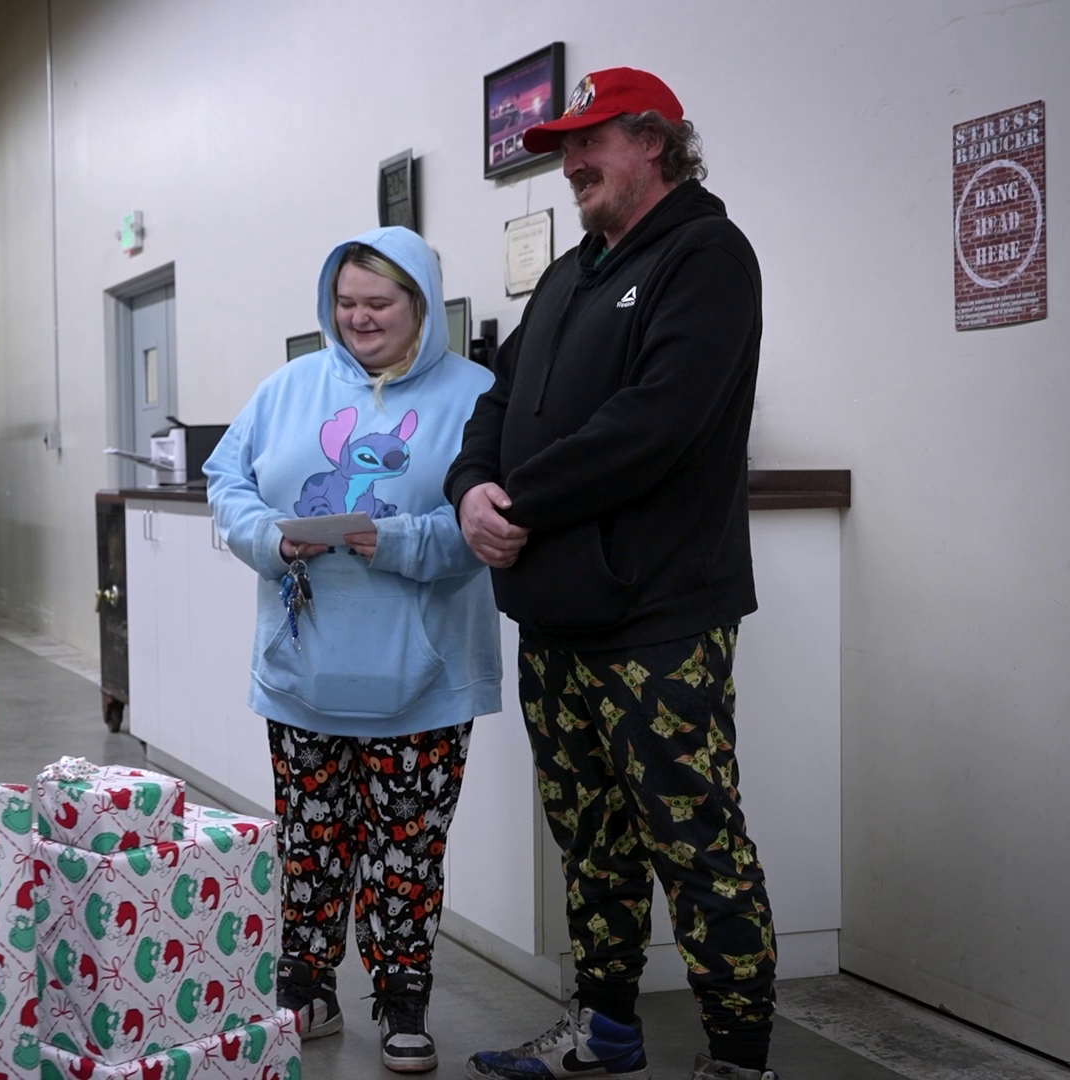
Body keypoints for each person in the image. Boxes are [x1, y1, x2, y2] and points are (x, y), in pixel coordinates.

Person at [446, 68, 779, 1080]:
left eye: (590, 142)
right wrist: (471, 489)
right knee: (591, 843)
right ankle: (606, 1029)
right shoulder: (570, 271)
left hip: (659, 617)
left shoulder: (709, 258)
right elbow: (496, 405)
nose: (571, 164)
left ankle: (739, 1057)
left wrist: (522, 502)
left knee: (694, 840)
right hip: (556, 618)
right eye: (562, 149)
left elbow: (654, 425)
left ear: (656, 143)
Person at [204, 226, 500, 1074]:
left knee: (408, 848)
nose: (360, 318)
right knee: (308, 840)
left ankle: (403, 999)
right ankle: (307, 986)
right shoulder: (287, 388)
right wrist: (265, 536)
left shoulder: (480, 394)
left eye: (380, 302)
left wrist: (403, 541)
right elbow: (227, 482)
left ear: (422, 306)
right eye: (346, 302)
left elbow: (494, 516)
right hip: (306, 673)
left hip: (427, 680)